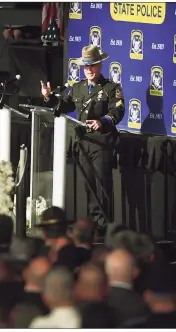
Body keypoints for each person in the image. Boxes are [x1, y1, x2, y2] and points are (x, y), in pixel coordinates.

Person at [40, 45, 125, 234]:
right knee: (89, 186)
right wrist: (49, 98)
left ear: (100, 65)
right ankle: (94, 223)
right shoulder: (77, 87)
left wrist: (102, 122)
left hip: (101, 144)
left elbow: (118, 111)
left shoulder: (111, 88)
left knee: (102, 185)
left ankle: (104, 226)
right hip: (83, 143)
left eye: (92, 66)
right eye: (86, 66)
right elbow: (65, 105)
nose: (89, 70)